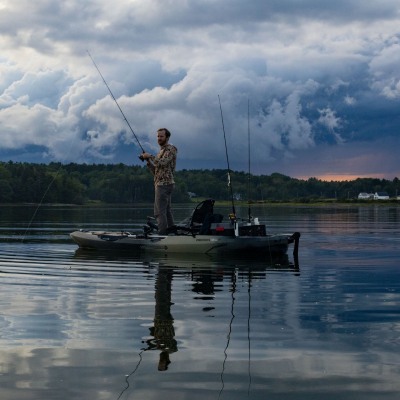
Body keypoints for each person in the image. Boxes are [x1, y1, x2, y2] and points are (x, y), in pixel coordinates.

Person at [141, 128, 177, 235]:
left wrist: (150, 156)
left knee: (159, 212)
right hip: (161, 184)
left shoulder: (171, 149)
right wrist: (148, 162)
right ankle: (171, 232)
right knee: (167, 211)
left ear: (167, 137)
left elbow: (164, 163)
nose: (159, 138)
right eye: (158, 136)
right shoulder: (161, 152)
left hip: (164, 185)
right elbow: (157, 171)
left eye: (161, 136)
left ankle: (162, 236)